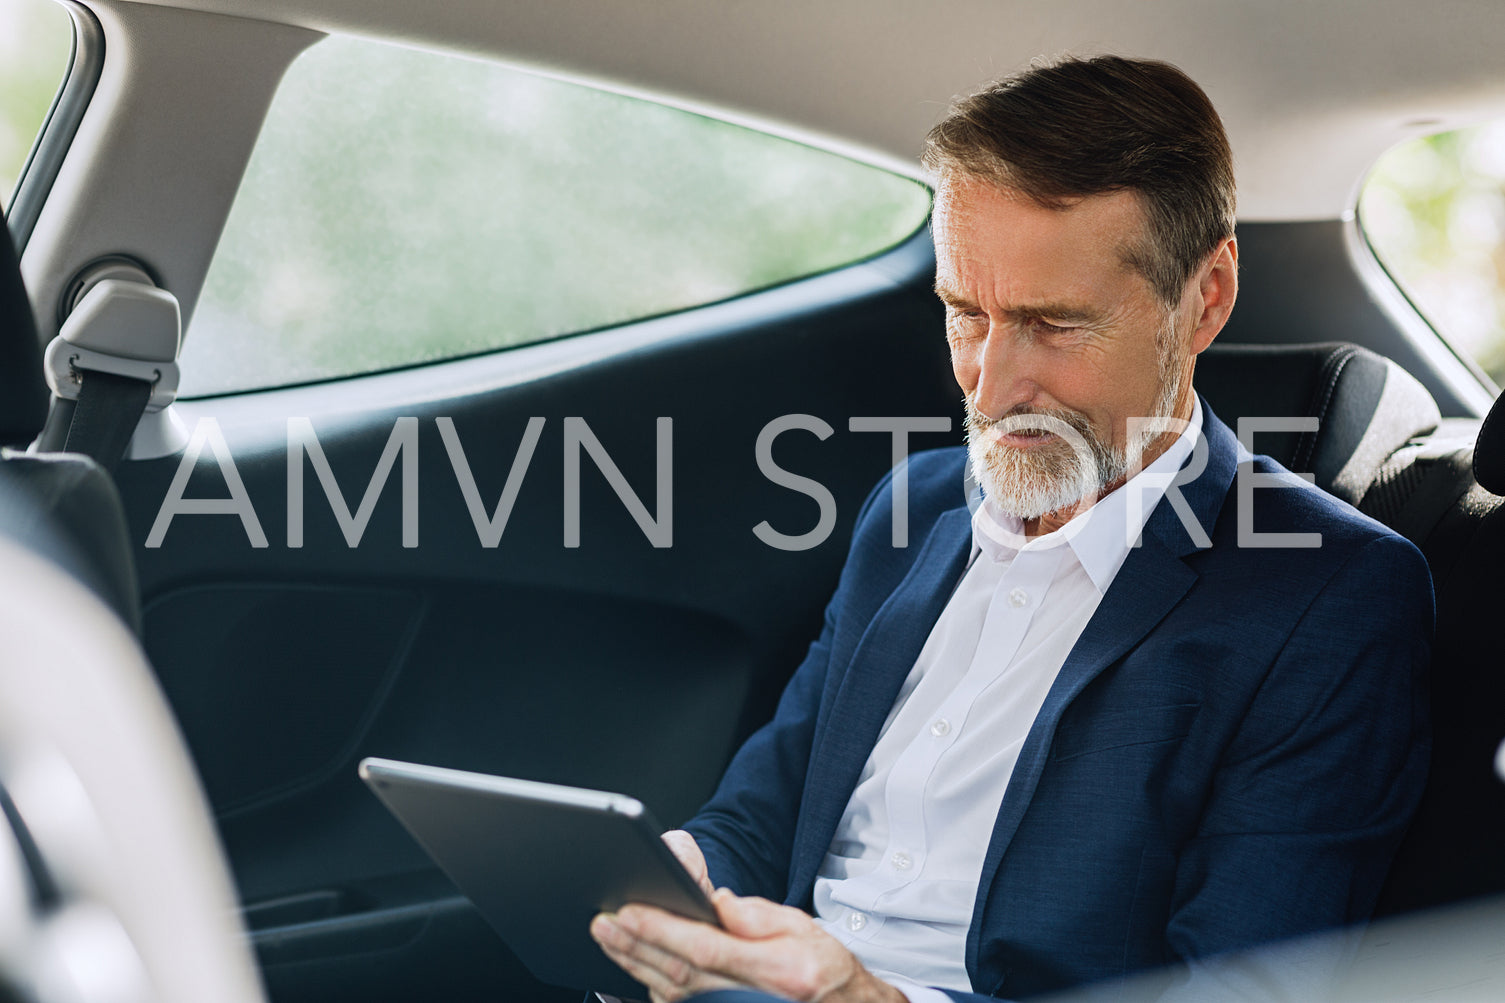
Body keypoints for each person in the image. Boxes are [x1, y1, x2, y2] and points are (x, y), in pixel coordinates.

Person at [590, 55, 1432, 1003]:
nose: (989, 387)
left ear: (1205, 298)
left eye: (1055, 324)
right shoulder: (910, 514)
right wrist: (680, 881)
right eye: (964, 313)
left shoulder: (1326, 593)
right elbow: (758, 821)